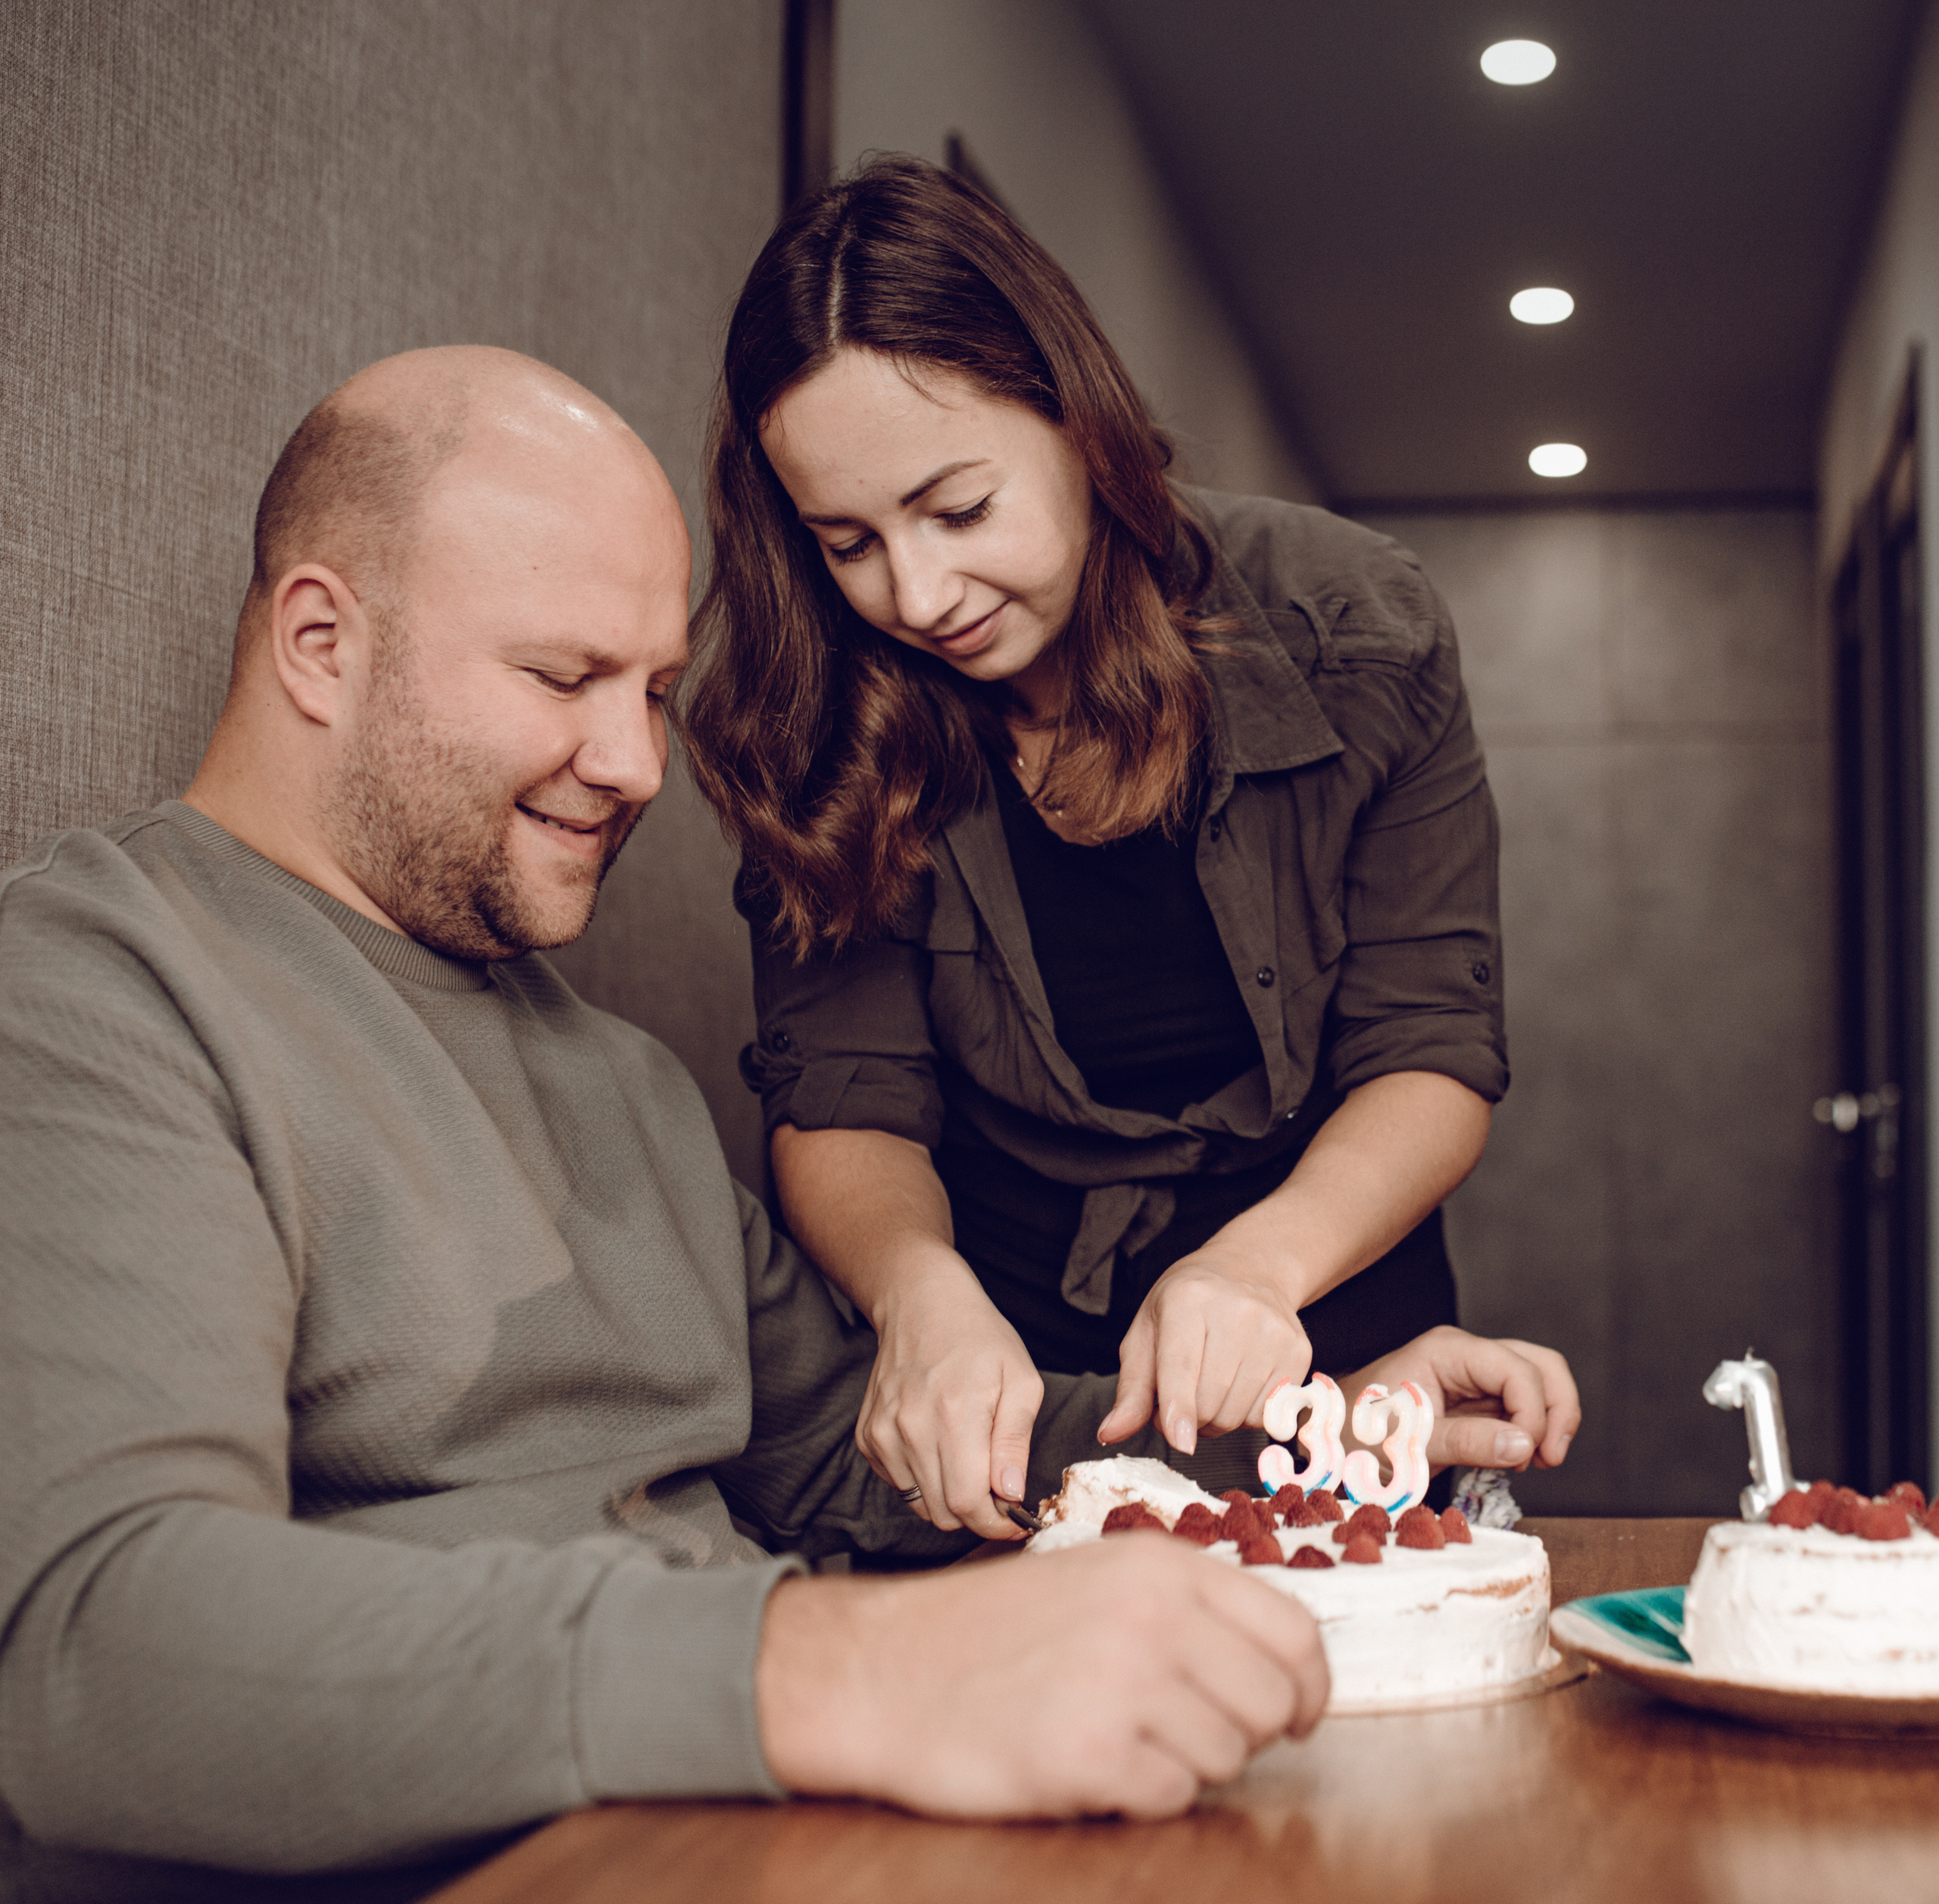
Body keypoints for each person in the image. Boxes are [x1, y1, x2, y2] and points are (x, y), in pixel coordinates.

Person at [0, 345, 1340, 1876]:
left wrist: (1290, 1435)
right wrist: (848, 1669)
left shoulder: (619, 1077)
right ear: (319, 640)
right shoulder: (93, 987)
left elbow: (856, 1448)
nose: (636, 764)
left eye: (651, 690)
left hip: (755, 1829)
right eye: (562, 679)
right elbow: (94, 1650)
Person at [682, 157, 1568, 1539]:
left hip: (1334, 1339)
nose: (916, 594)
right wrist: (919, 1298)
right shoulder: (821, 712)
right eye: (848, 542)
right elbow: (844, 1097)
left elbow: (1433, 1051)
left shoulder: (1353, 625)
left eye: (959, 510)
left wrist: (1257, 1267)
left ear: (1078, 419)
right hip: (1010, 1384)